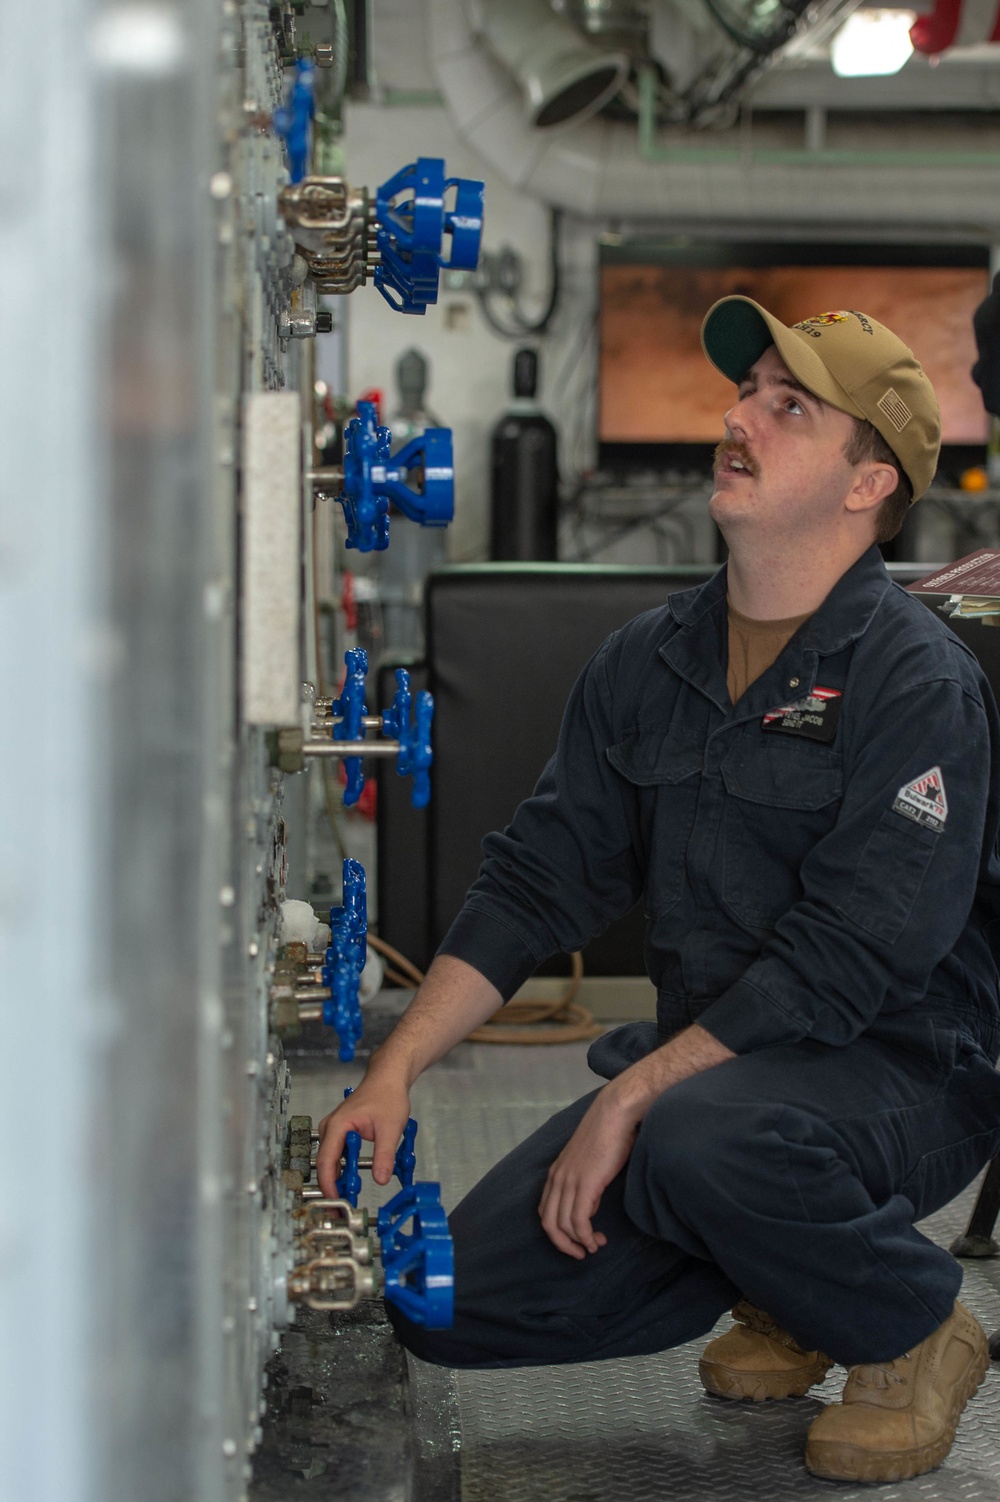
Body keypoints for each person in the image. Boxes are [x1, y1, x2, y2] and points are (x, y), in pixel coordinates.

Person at [316, 298, 1000, 1484]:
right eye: (746, 395)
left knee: (697, 1136)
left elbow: (849, 958)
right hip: (715, 1084)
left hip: (901, 1071)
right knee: (441, 1299)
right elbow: (538, 876)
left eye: (789, 409)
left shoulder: (915, 682)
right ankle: (781, 1280)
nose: (737, 419)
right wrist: (394, 1067)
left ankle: (908, 1325)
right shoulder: (648, 659)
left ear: (864, 483)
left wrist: (632, 1090)